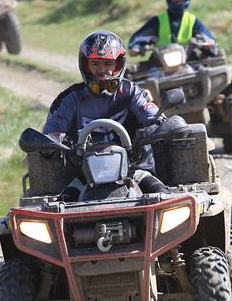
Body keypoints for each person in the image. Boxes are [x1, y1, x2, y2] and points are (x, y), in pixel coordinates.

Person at [43, 30, 168, 201]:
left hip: (134, 168)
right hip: (85, 176)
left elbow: (149, 112)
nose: (102, 70)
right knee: (61, 203)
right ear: (85, 64)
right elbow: (53, 127)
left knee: (163, 194)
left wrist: (159, 125)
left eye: (108, 64)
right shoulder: (70, 98)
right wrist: (49, 140)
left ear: (119, 64)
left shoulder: (132, 91)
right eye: (95, 64)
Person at [128, 0, 216, 56]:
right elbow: (138, 38)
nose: (177, 0)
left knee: (203, 68)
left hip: (187, 59)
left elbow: (208, 38)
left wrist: (208, 43)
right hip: (160, 62)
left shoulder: (193, 21)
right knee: (151, 70)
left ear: (187, 0)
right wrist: (136, 47)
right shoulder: (157, 21)